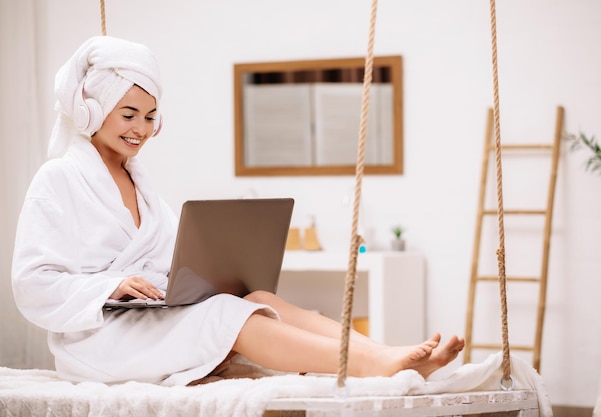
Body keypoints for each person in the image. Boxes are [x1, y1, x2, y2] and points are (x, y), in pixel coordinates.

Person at [11, 36, 465, 386]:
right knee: (227, 315)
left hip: (148, 320)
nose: (141, 129)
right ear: (93, 111)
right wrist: (113, 285)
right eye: (128, 114)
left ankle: (387, 352)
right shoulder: (59, 180)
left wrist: (205, 276)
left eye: (150, 117)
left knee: (259, 300)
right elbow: (32, 284)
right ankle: (374, 366)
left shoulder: (142, 186)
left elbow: (174, 261)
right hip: (102, 338)